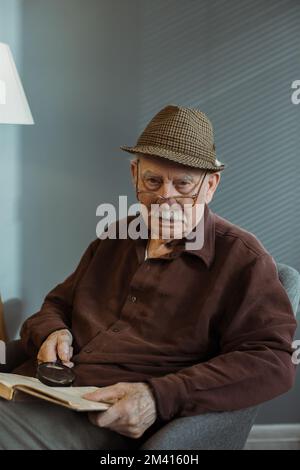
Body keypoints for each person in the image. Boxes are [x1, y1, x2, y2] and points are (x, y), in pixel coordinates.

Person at [0, 105, 297, 449]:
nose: (164, 197)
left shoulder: (242, 260)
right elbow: (57, 304)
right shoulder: (114, 237)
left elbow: (272, 360)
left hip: (106, 421)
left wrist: (157, 396)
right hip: (35, 389)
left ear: (211, 185)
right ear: (134, 175)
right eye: (152, 181)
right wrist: (52, 330)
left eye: (183, 184)